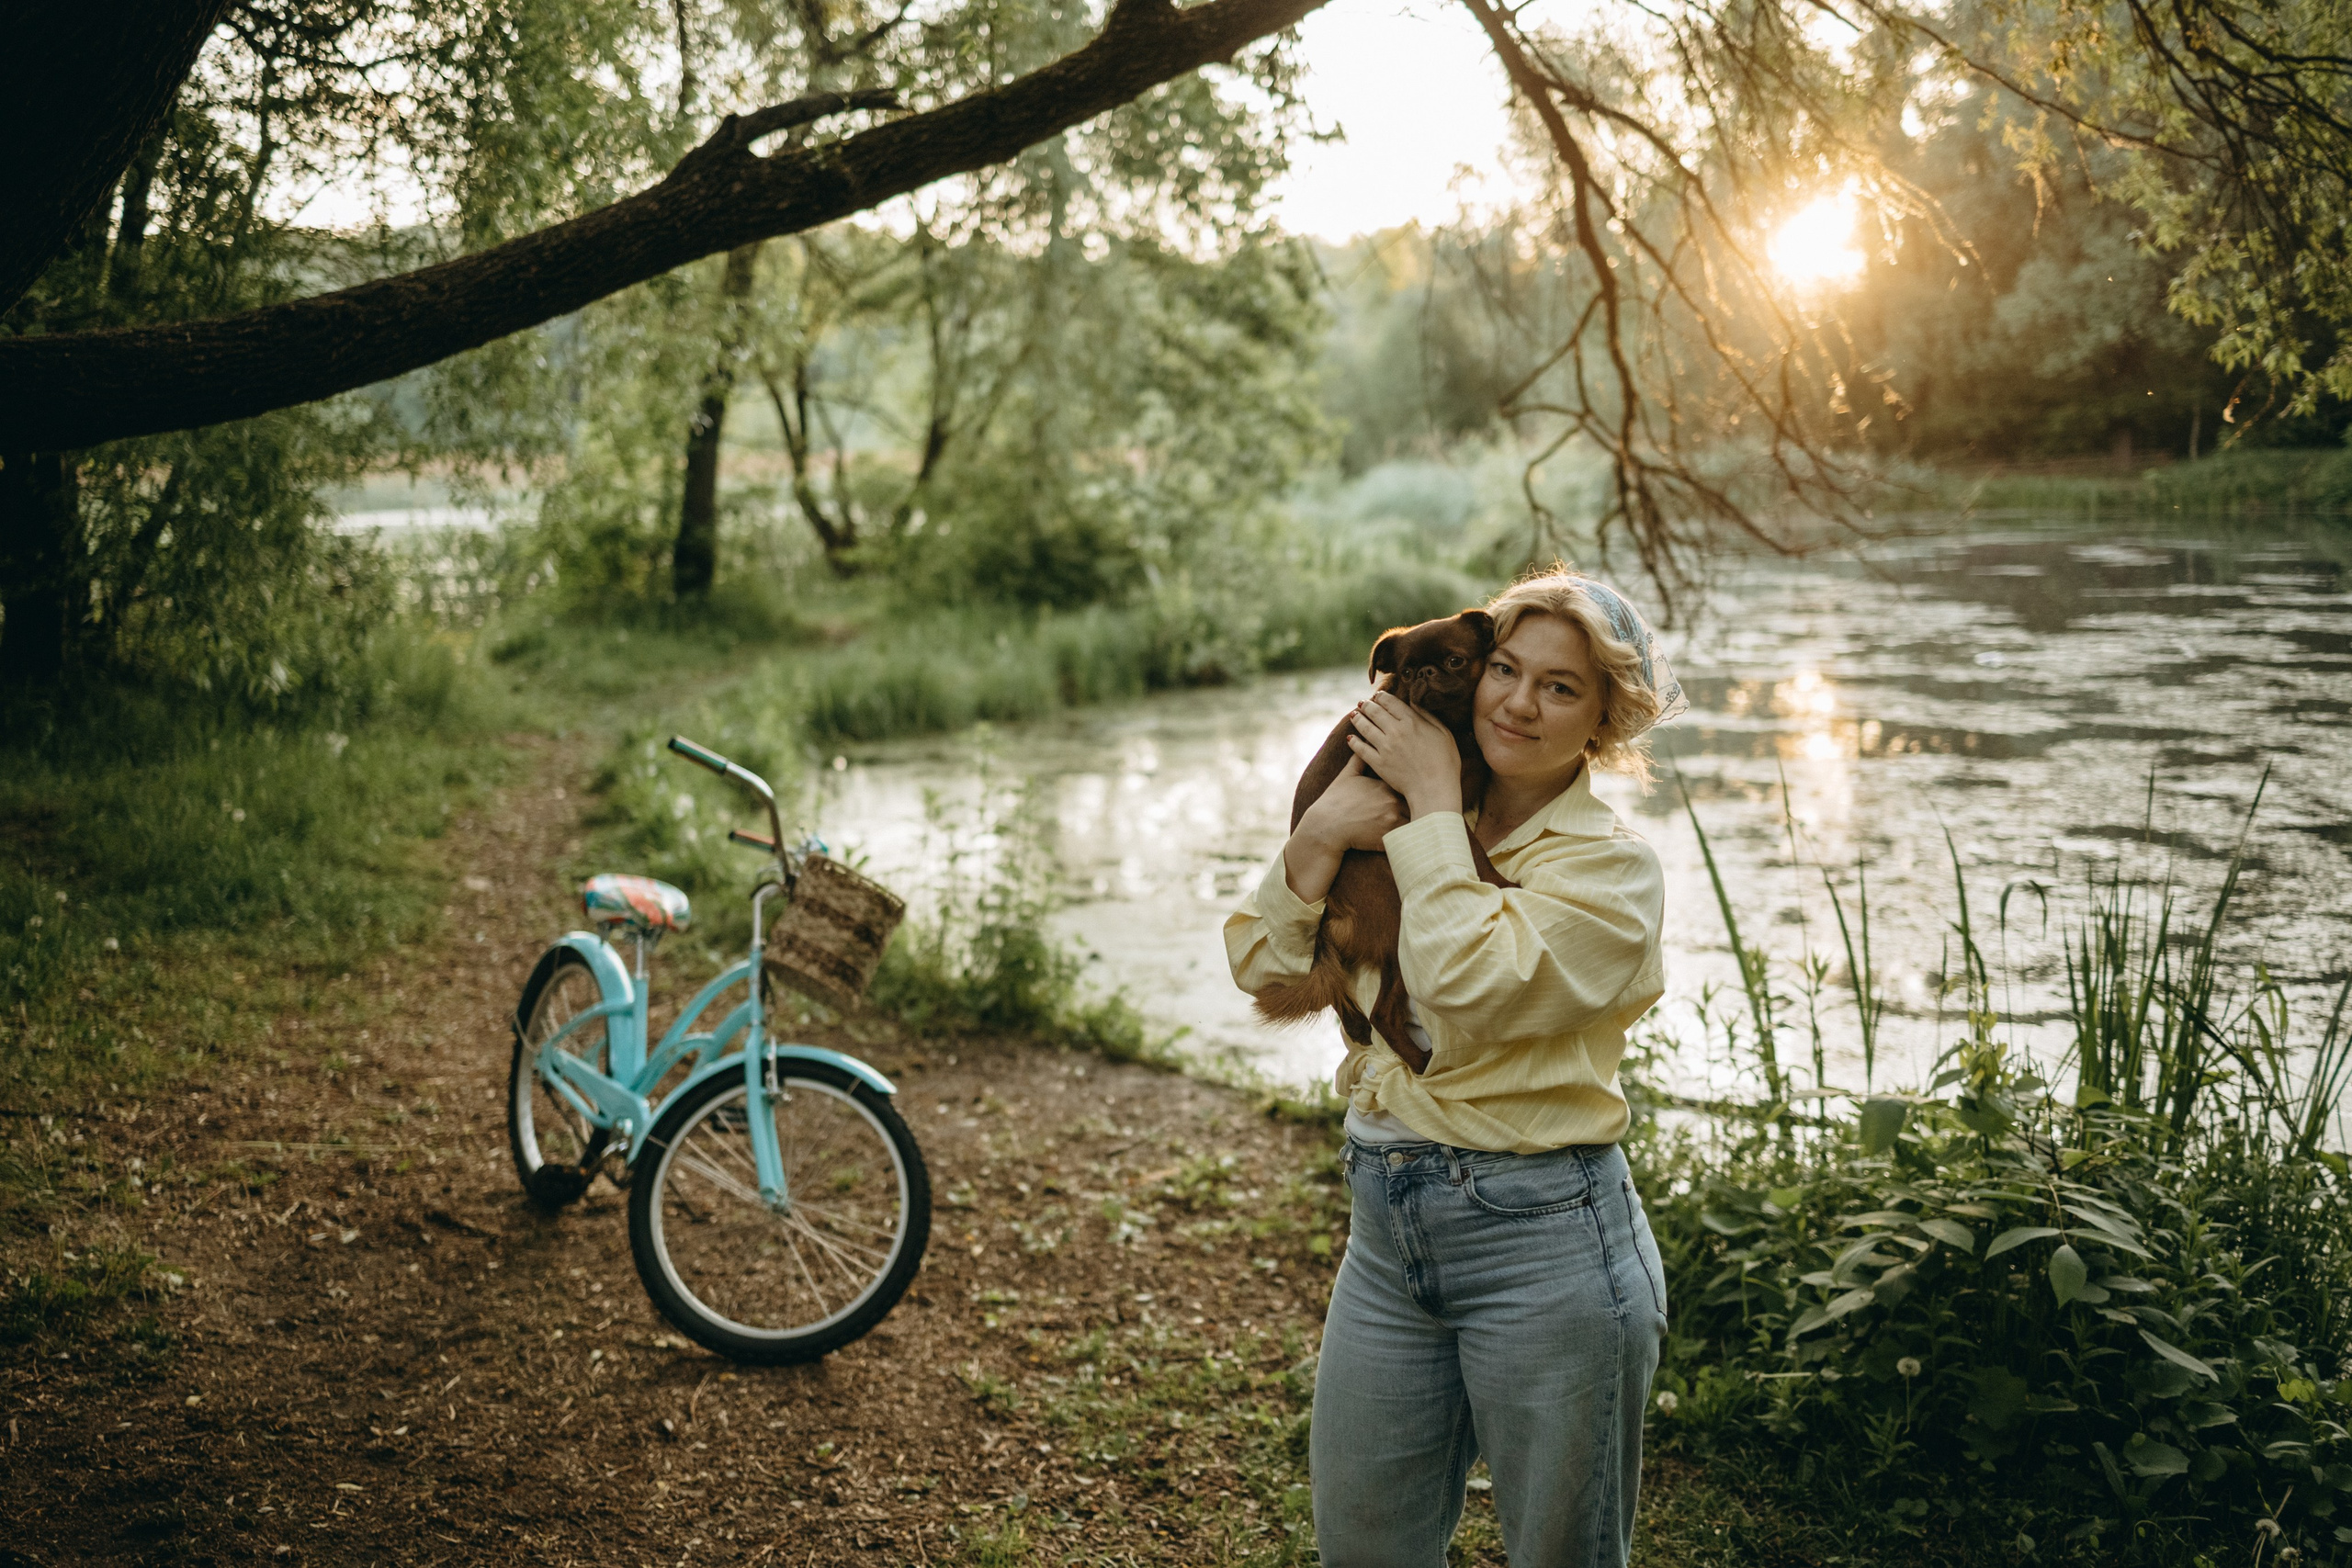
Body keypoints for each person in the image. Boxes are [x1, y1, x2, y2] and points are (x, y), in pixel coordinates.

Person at [1224, 568, 1686, 1568]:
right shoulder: (1380, 815)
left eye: (1560, 688)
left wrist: (1431, 802)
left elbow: (1465, 985)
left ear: (1605, 721)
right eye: (1505, 669)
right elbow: (1263, 972)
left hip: (1548, 1247)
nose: (1517, 702)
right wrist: (1314, 838)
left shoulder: (1610, 873)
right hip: (1386, 1236)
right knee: (1365, 1550)